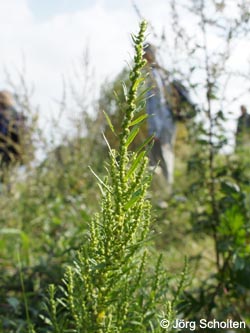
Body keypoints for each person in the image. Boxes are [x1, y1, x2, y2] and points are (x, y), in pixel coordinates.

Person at [0, 90, 26, 166]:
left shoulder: (3, 115)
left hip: (5, 154)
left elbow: (3, 135)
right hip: (17, 154)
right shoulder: (16, 114)